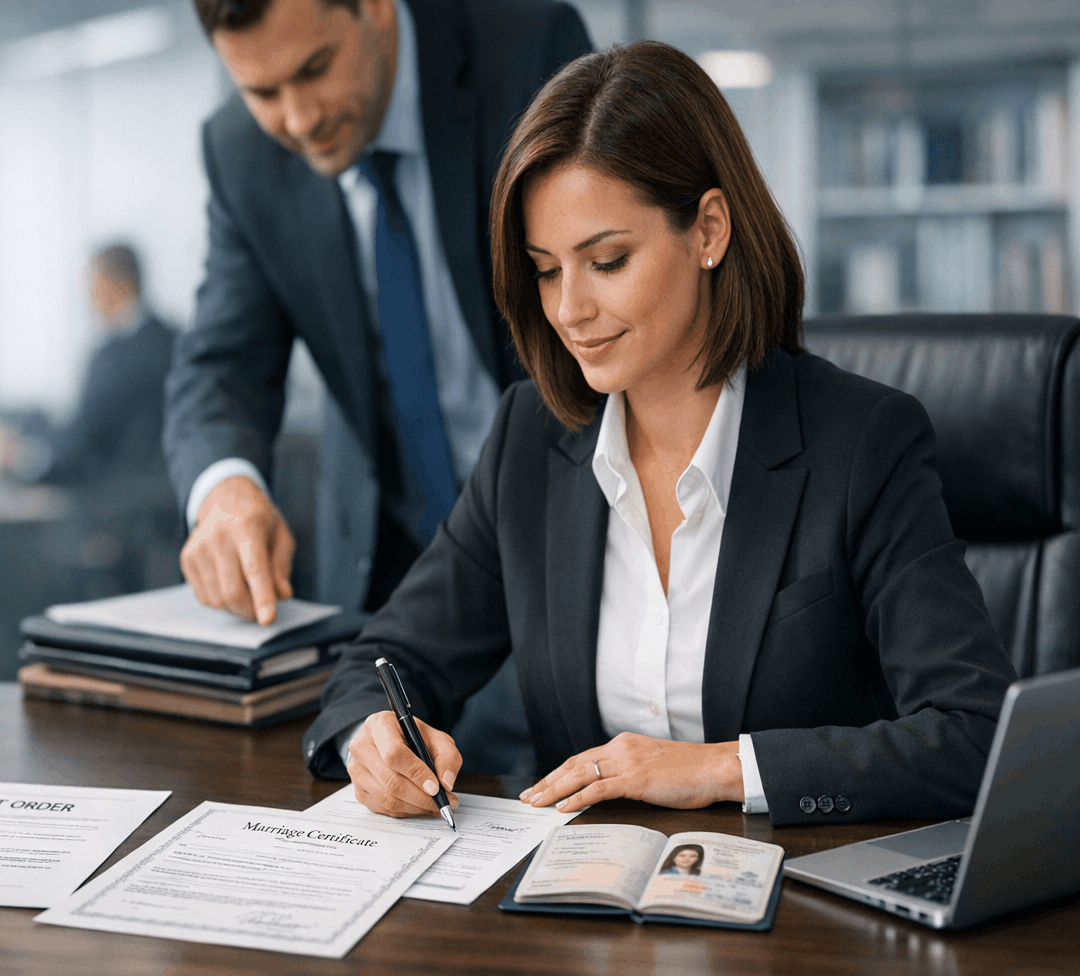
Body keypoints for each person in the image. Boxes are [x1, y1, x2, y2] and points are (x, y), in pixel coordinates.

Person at [301, 41, 1015, 826]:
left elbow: (974, 737)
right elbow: (386, 664)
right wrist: (372, 736)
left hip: (806, 915)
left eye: (606, 261)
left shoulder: (861, 442)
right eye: (545, 269)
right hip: (583, 912)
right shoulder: (532, 440)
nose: (569, 309)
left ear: (708, 230)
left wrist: (716, 770)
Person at [166, 0, 592, 626]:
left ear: (375, 8)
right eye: (262, 91)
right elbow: (222, 361)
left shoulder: (525, 51)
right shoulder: (239, 151)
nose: (300, 119)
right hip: (391, 568)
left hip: (565, 526)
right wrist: (224, 487)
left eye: (315, 68)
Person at [0, 244, 176, 487]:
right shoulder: (175, 340)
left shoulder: (116, 358)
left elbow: (83, 443)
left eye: (93, 287)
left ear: (119, 284)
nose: (88, 300)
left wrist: (19, 455)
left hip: (117, 505)